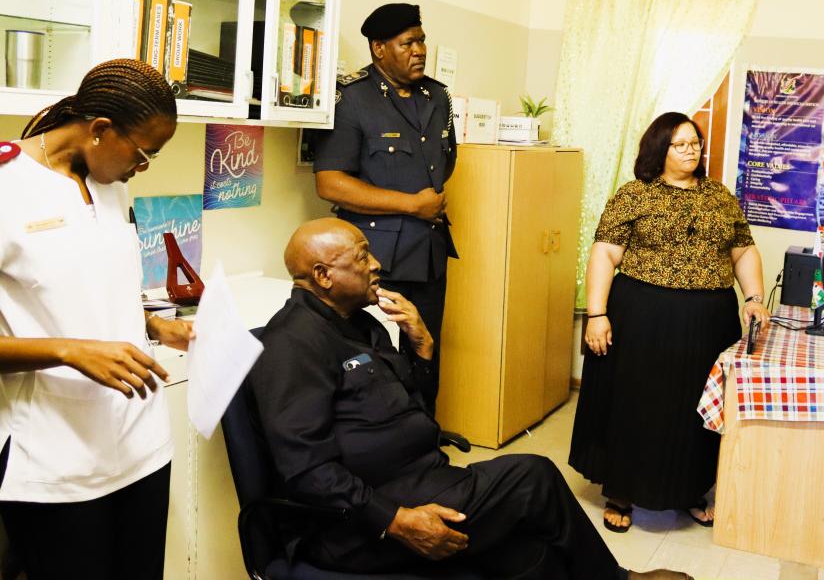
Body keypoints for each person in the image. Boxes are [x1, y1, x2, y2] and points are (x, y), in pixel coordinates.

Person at [246, 217, 692, 580]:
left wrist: (422, 347)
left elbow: (412, 409)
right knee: (532, 477)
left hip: (420, 478)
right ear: (323, 275)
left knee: (532, 556)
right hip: (355, 525)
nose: (377, 263)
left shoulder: (359, 323)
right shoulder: (292, 346)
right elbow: (306, 469)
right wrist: (395, 519)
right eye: (363, 257)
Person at [0, 59, 193, 580]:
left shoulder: (111, 182)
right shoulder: (6, 185)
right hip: (55, 457)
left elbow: (88, 289)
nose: (144, 167)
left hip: (141, 444)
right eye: (144, 153)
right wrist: (68, 351)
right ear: (100, 129)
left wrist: (153, 324)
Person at [569, 112, 770, 533]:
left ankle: (689, 490)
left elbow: (743, 251)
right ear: (659, 149)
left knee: (696, 408)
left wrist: (754, 297)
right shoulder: (634, 195)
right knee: (637, 405)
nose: (691, 150)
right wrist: (597, 314)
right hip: (643, 317)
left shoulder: (719, 196)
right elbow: (605, 253)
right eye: (680, 144)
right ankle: (622, 491)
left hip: (708, 322)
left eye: (695, 142)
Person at [308, 3, 457, 413]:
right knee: (378, 362)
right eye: (407, 43)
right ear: (379, 48)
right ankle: (389, 439)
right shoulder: (352, 98)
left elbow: (446, 161)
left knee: (426, 350)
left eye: (421, 40)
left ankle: (425, 433)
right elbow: (330, 182)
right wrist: (412, 204)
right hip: (376, 260)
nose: (419, 50)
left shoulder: (437, 96)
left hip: (429, 254)